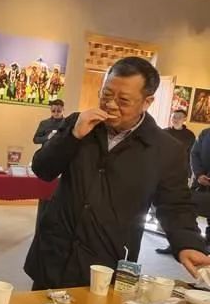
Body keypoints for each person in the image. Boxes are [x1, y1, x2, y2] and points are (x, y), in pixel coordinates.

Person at [24, 57, 210, 290]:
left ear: (147, 102)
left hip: (109, 258)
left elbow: (175, 205)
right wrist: (72, 136)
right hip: (55, 251)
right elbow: (43, 169)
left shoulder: (166, 149)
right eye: (106, 95)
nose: (111, 105)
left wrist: (188, 243)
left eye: (123, 100)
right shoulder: (78, 123)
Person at [155, 109, 197, 255]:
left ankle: (175, 244)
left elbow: (191, 156)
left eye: (179, 117)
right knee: (161, 207)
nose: (175, 119)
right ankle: (166, 239)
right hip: (160, 172)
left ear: (184, 119)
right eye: (174, 116)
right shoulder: (163, 132)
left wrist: (191, 175)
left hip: (180, 174)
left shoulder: (189, 136)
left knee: (175, 207)